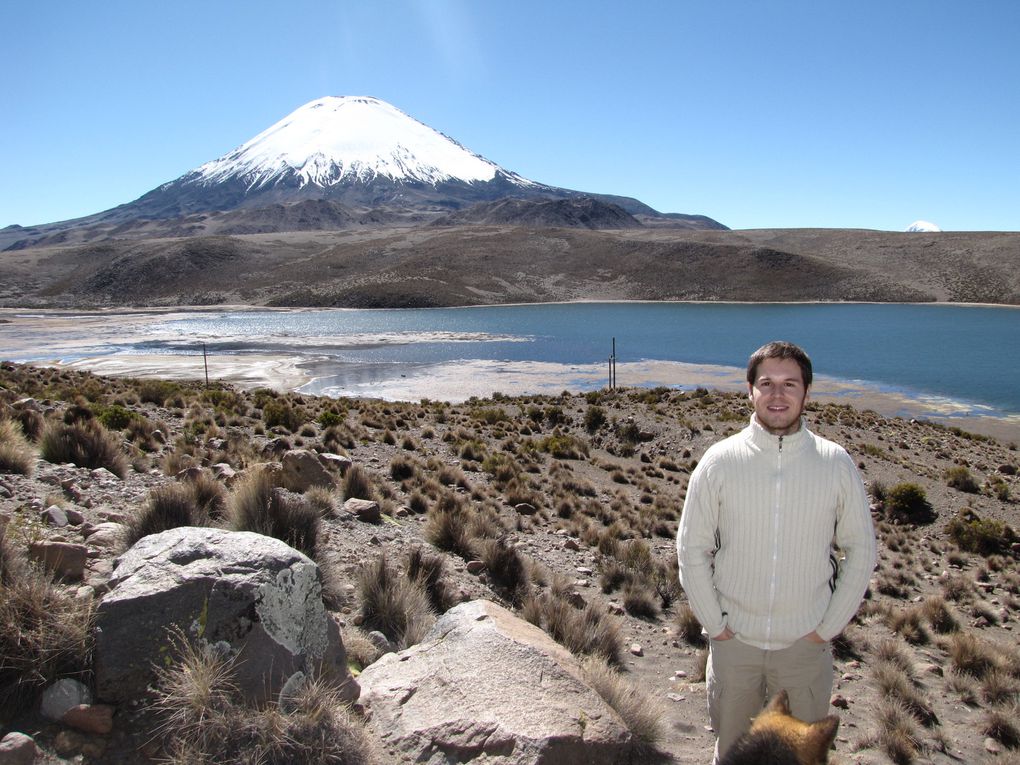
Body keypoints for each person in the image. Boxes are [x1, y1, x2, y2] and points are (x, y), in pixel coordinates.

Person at [676, 341, 876, 763]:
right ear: (749, 390)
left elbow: (860, 552)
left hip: (804, 649)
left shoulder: (835, 463)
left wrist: (825, 629)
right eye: (766, 383)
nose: (778, 394)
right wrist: (717, 626)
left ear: (807, 392)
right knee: (732, 752)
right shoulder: (719, 462)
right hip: (735, 648)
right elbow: (692, 550)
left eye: (790, 384)